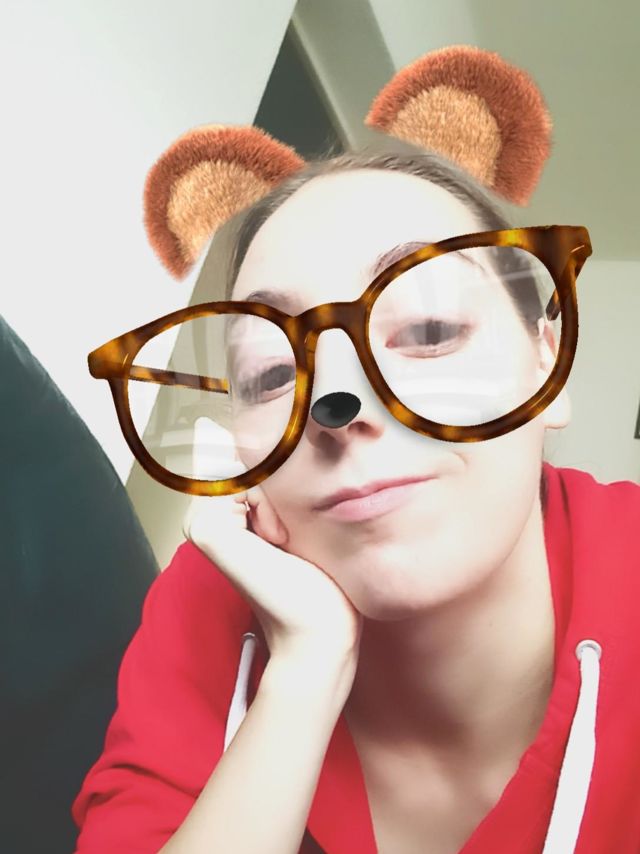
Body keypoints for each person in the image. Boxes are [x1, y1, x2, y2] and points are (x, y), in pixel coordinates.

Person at [71, 46, 640, 853]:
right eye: (271, 373)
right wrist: (306, 670)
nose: (336, 402)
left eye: (431, 327)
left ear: (548, 362)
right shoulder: (212, 598)